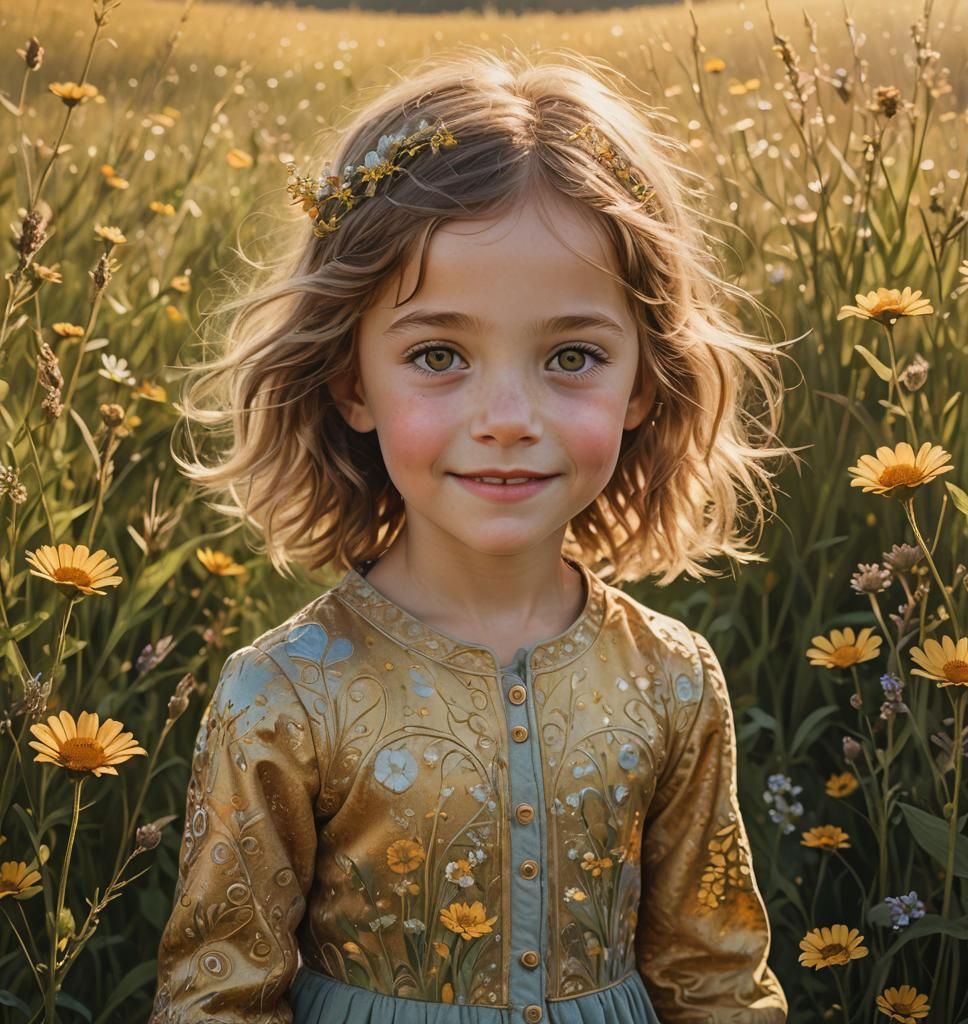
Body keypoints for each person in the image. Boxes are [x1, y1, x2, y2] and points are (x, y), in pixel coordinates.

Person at [150, 44, 798, 1024]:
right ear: (351, 382)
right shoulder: (280, 695)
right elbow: (218, 999)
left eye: (571, 354)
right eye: (440, 353)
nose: (506, 415)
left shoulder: (671, 678)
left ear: (645, 381)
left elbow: (715, 982)